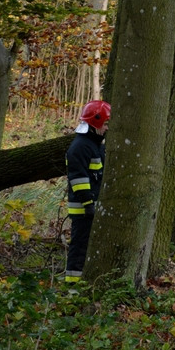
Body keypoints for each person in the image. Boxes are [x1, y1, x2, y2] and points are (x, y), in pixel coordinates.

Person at [65, 100, 111, 283]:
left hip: (92, 207)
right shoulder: (80, 147)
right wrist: (88, 203)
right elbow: (78, 179)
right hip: (83, 209)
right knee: (80, 248)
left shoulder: (95, 144)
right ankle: (73, 287)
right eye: (106, 124)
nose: (107, 128)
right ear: (96, 122)